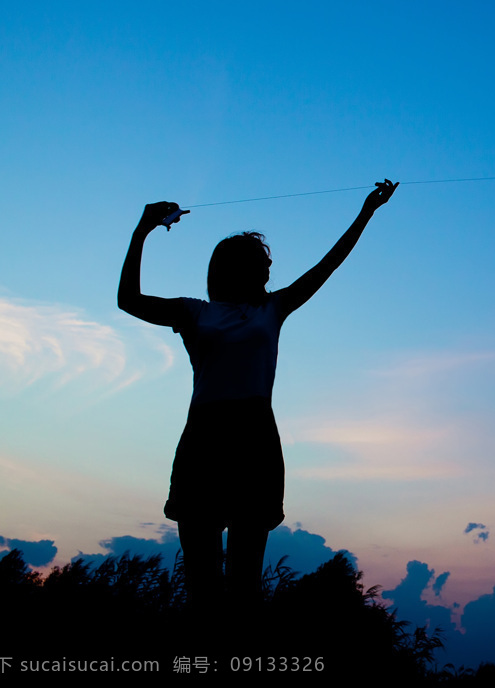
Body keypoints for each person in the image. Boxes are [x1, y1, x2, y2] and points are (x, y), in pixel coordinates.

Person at [117, 179, 397, 609]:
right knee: (203, 589)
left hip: (255, 439)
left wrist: (367, 212)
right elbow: (128, 300)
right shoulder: (195, 312)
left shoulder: (273, 309)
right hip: (205, 440)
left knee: (245, 587)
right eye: (261, 263)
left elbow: (327, 266)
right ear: (237, 268)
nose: (269, 270)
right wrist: (142, 231)